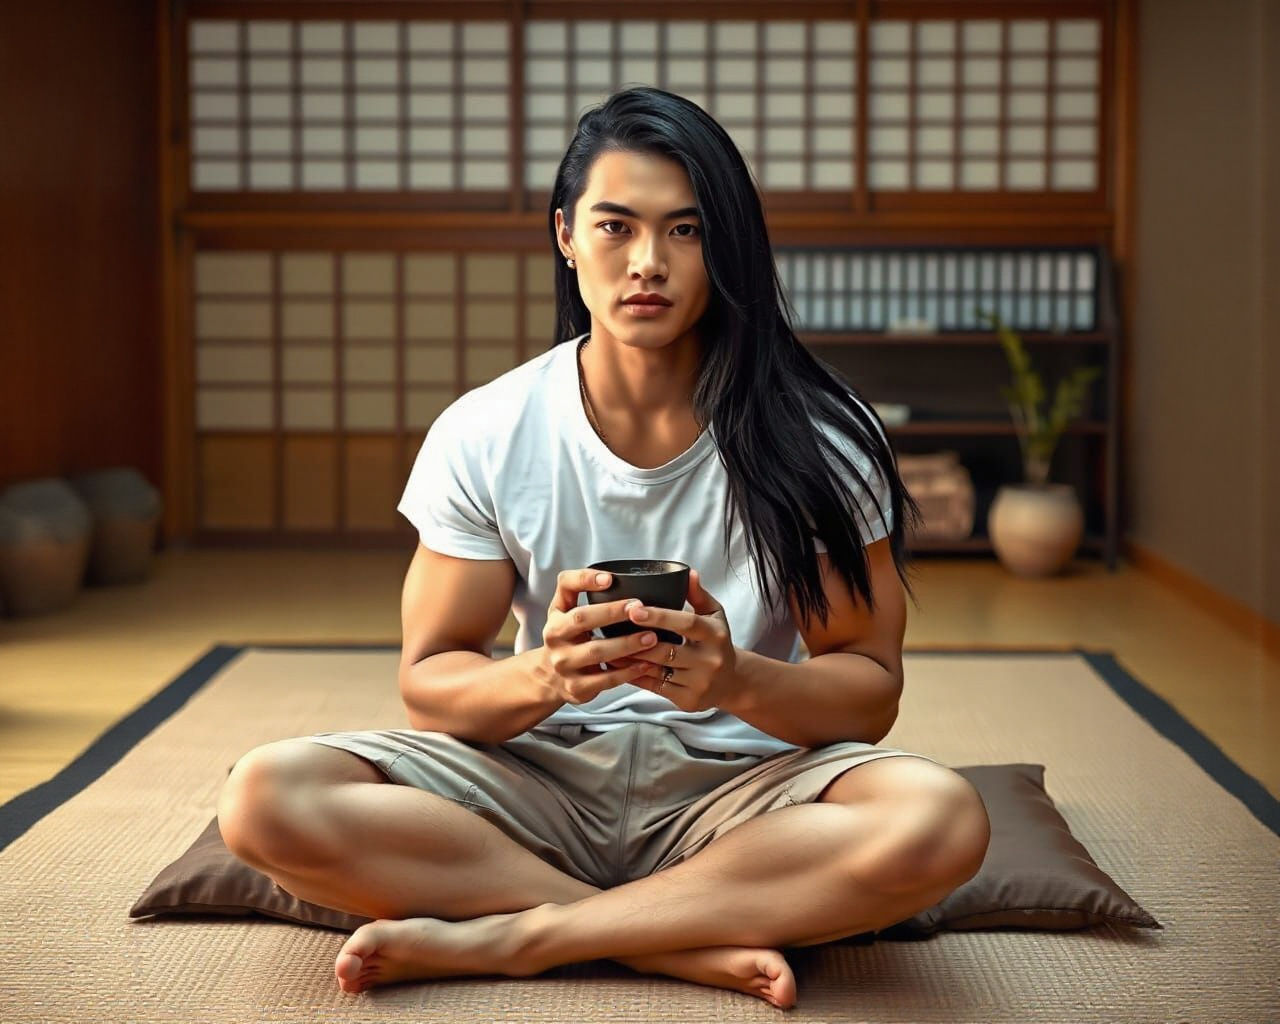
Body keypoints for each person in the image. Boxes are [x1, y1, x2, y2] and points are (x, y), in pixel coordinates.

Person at [215, 87, 991, 1009]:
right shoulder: (489, 430)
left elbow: (869, 690)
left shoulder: (825, 437)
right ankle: (671, 937)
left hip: (744, 791)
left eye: (687, 230)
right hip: (537, 782)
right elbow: (430, 681)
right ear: (566, 237)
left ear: (726, 244)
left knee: (939, 819)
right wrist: (546, 676)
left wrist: (735, 679)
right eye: (616, 227)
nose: (648, 263)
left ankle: (529, 934)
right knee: (264, 795)